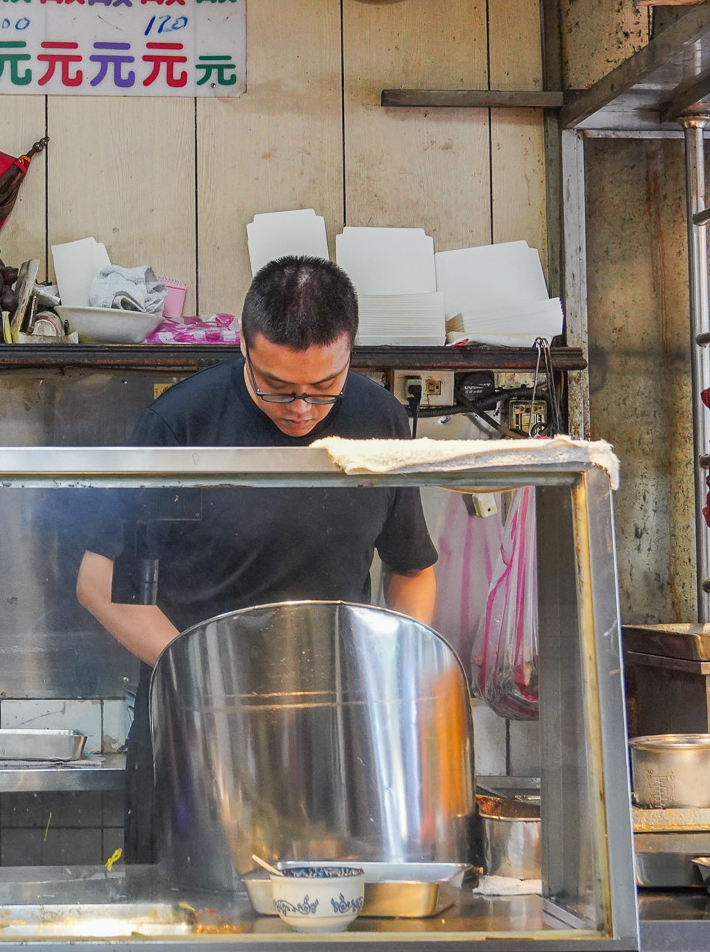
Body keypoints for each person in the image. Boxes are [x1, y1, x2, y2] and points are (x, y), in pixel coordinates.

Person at [74, 256, 439, 861]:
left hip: (335, 730)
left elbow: (412, 568)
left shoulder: (379, 419)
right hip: (202, 723)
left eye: (324, 388)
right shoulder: (180, 425)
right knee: (193, 911)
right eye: (278, 386)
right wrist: (213, 679)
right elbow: (99, 580)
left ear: (350, 353)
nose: (300, 408)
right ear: (243, 346)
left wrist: (398, 681)